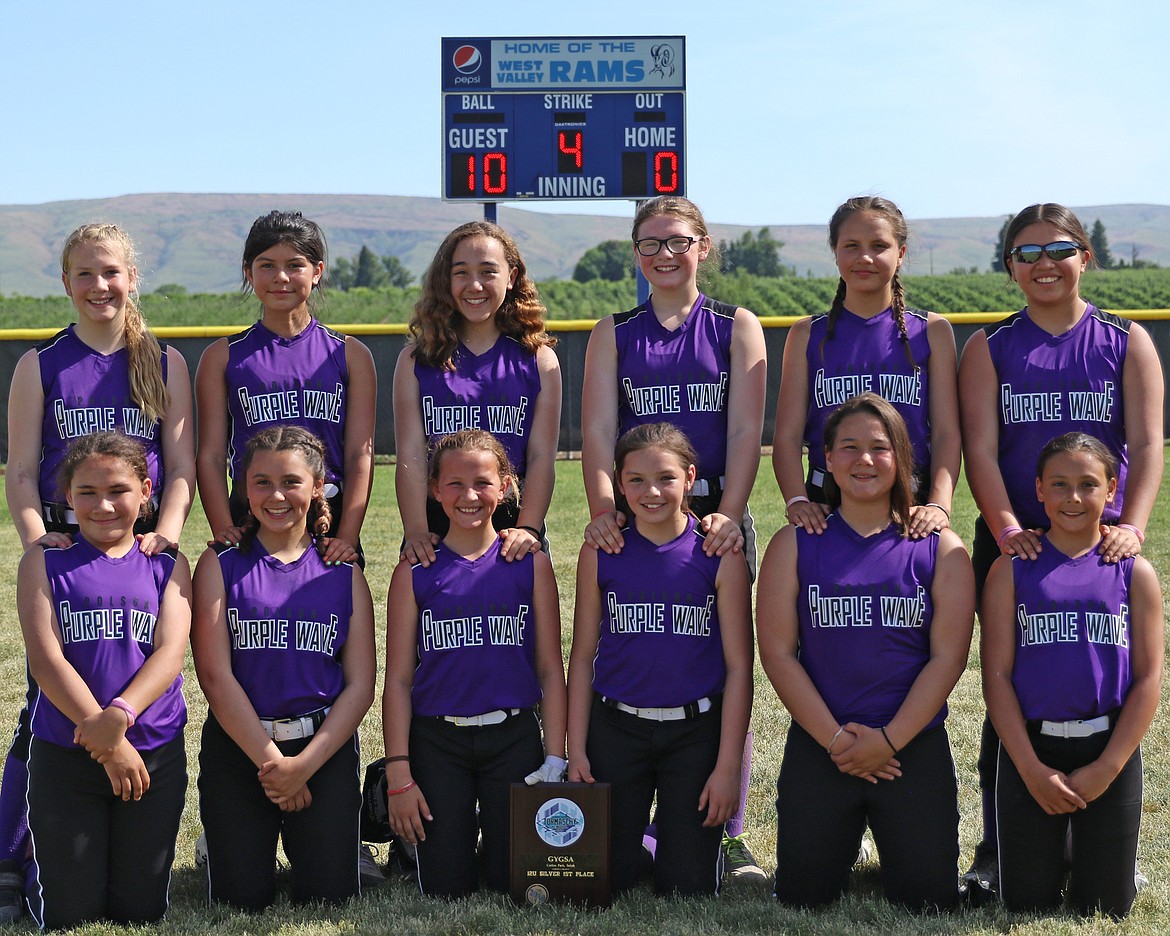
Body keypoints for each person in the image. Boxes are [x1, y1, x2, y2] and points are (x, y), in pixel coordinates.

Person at [958, 203, 1164, 897]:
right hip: (1019, 537)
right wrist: (1009, 526)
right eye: (1026, 252)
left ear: (1086, 256)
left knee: (1102, 673)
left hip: (1103, 537)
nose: (1044, 264)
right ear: (1009, 265)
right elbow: (981, 450)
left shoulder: (1125, 338)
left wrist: (1130, 526)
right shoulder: (989, 346)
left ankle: (1106, 839)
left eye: (1059, 249)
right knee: (1015, 686)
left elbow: (1145, 443)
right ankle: (999, 848)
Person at [2, 223, 194, 921]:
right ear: (65, 283)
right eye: (84, 274)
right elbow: (21, 469)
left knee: (136, 683)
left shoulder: (161, 361)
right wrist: (38, 544)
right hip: (69, 545)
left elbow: (179, 470)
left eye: (110, 271)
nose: (99, 285)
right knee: (46, 709)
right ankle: (14, 858)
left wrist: (166, 539)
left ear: (131, 277)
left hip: (139, 545)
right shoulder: (41, 364)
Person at [580, 195, 766, 878]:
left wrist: (731, 511)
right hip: (638, 513)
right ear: (636, 253)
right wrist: (605, 508)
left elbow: (748, 430)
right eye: (651, 243)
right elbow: (599, 431)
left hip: (713, 519)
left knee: (719, 662)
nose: (665, 254)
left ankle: (727, 830)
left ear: (704, 247)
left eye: (678, 241)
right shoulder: (615, 331)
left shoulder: (735, 325)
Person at [757, 393, 973, 910]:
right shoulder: (794, 543)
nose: (864, 460)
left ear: (901, 457)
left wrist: (890, 739)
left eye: (880, 448)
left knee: (928, 901)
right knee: (802, 897)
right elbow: (778, 653)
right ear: (826, 459)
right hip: (821, 741)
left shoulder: (940, 547)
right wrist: (835, 739)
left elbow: (949, 659)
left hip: (911, 745)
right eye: (848, 447)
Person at [192, 426, 375, 910]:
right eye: (261, 482)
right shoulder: (220, 563)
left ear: (318, 487)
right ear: (242, 486)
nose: (276, 496)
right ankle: (223, 844)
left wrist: (303, 766)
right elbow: (214, 676)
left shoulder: (343, 571)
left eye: (291, 482)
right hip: (241, 748)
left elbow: (360, 685)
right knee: (241, 899)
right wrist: (275, 763)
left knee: (329, 897)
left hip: (321, 751)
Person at [567, 423, 753, 896]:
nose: (651, 492)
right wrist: (578, 748)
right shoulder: (602, 550)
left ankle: (674, 836)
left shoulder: (718, 551)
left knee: (685, 887)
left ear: (691, 477)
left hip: (694, 732)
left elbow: (738, 668)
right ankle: (646, 838)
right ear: (617, 482)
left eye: (666, 478)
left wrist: (728, 766)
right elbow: (583, 653)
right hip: (617, 728)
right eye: (635, 480)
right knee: (609, 880)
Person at [982, 432, 1162, 917]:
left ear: (1112, 489)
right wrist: (1030, 768)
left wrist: (1108, 768)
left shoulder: (1132, 571)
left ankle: (1101, 855)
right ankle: (1052, 851)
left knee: (1106, 907)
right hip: (1033, 749)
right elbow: (996, 676)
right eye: (1059, 484)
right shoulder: (1013, 568)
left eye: (1088, 484)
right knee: (1027, 904)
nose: (1074, 498)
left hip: (1108, 747)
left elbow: (1148, 680)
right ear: (1038, 489)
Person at [382, 429, 566, 898]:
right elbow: (399, 680)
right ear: (434, 490)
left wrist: (556, 757)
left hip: (512, 736)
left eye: (483, 482)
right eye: (455, 484)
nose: (469, 496)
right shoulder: (414, 570)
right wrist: (400, 773)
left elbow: (549, 668)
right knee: (447, 887)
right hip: (438, 740)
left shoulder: (528, 562)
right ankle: (430, 840)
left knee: (516, 884)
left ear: (505, 486)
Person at [18, 431, 190, 929]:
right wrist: (105, 737)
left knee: (139, 912)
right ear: (67, 498)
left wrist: (120, 717)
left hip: (151, 753)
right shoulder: (45, 561)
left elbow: (170, 654)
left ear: (145, 490)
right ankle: (40, 864)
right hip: (68, 754)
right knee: (71, 915)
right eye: (87, 492)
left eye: (118, 490)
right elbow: (46, 662)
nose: (104, 505)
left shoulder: (165, 563)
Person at [773, 195, 960, 540]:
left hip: (911, 505)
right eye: (852, 246)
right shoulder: (806, 334)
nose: (865, 258)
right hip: (826, 502)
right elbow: (786, 436)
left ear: (900, 254)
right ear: (835, 252)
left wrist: (938, 504)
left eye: (879, 246)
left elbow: (947, 432)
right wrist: (797, 499)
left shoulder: (932, 331)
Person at [195, 210, 375, 567]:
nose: (281, 277)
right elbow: (212, 457)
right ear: (248, 272)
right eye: (266, 265)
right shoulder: (222, 357)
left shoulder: (350, 355)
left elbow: (359, 455)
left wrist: (348, 536)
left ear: (317, 271)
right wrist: (223, 527)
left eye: (295, 265)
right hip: (252, 514)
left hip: (327, 519)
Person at [393, 221, 561, 568]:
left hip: (511, 527)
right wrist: (416, 531)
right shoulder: (416, 360)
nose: (475, 285)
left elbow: (542, 455)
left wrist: (528, 527)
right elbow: (410, 454)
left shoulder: (539, 359)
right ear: (445, 279)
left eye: (488, 271)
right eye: (461, 273)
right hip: (437, 525)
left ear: (511, 276)